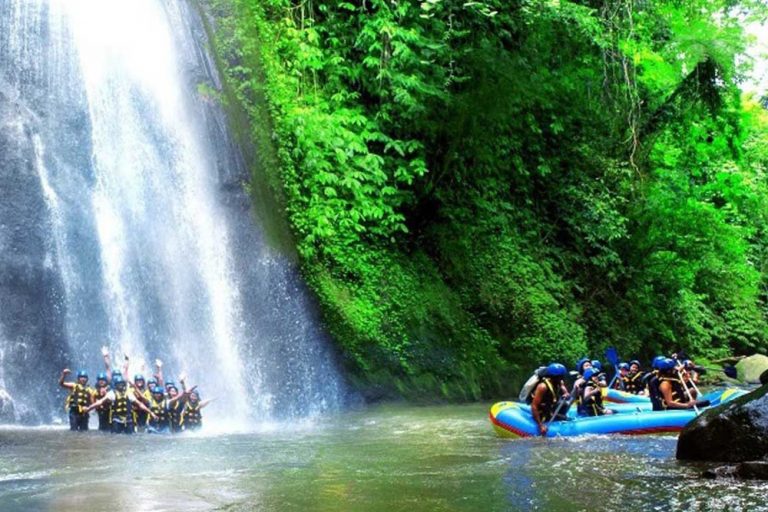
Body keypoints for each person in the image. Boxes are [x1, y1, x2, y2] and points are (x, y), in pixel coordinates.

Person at [86, 375, 156, 434]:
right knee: (116, 437)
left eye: (122, 384)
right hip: (116, 420)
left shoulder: (128, 393)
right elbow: (100, 402)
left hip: (128, 420)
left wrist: (151, 413)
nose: (120, 386)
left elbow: (140, 404)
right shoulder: (112, 393)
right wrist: (89, 408)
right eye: (119, 384)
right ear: (116, 385)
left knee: (130, 438)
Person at [530, 363, 570, 436]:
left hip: (550, 409)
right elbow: (534, 406)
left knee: (564, 406)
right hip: (542, 413)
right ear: (554, 377)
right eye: (561, 377)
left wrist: (566, 393)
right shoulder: (542, 387)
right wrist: (540, 426)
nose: (562, 379)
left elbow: (563, 387)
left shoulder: (558, 381)